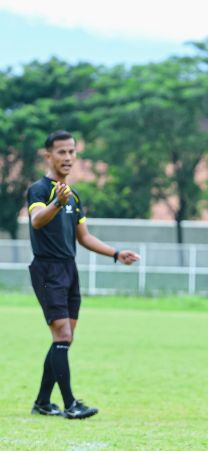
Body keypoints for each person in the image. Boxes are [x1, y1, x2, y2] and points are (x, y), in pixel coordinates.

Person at [27, 130, 139, 420]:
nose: (67, 157)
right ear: (48, 155)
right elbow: (37, 221)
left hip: (69, 268)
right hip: (47, 268)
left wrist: (116, 254)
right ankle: (69, 404)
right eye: (61, 152)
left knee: (65, 338)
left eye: (71, 152)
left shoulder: (73, 195)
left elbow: (84, 237)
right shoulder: (40, 190)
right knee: (62, 334)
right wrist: (56, 203)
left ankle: (42, 401)